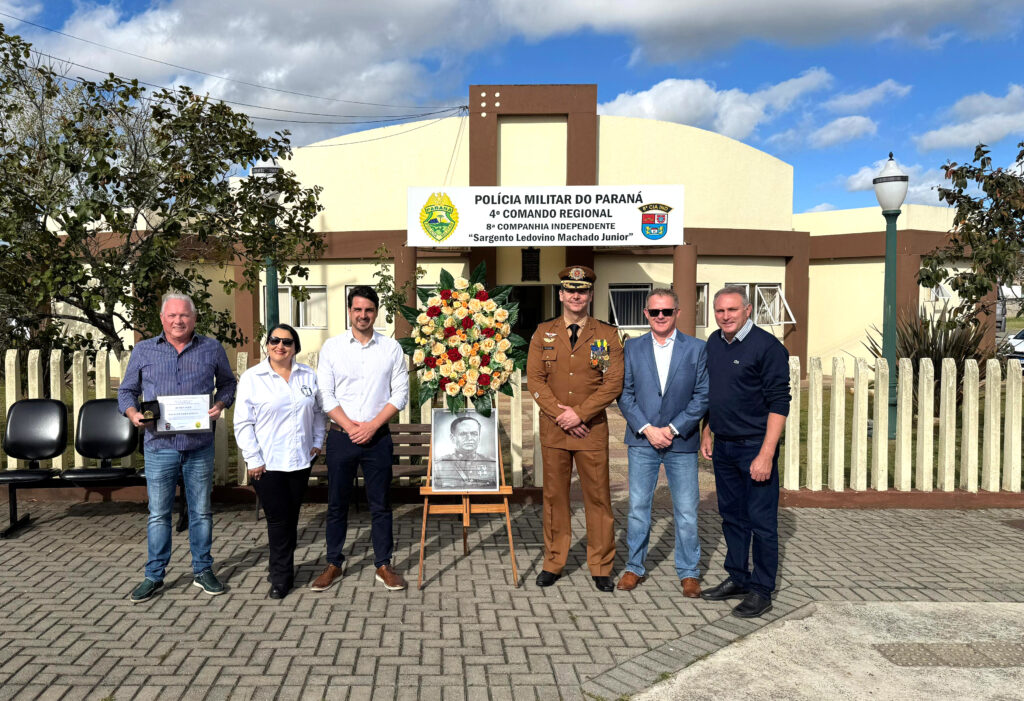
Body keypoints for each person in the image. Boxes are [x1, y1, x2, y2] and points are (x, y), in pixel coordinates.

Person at [118, 292, 237, 603]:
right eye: (172, 315)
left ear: (194, 319)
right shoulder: (144, 350)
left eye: (184, 315)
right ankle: (154, 576)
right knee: (158, 514)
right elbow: (127, 391)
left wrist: (221, 403)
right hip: (159, 445)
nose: (178, 320)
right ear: (162, 319)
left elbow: (228, 383)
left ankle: (203, 570)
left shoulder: (211, 348)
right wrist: (132, 414)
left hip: (198, 444)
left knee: (201, 511)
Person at [527, 265, 624, 593]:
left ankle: (601, 565)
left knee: (598, 498)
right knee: (555, 498)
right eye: (570, 290)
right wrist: (561, 415)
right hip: (555, 430)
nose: (576, 296)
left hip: (591, 429)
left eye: (581, 291)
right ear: (561, 295)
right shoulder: (543, 332)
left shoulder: (607, 334)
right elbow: (535, 380)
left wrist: (580, 414)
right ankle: (554, 561)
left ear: (590, 295)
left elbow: (613, 382)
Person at [311, 285, 409, 592]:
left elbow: (401, 393)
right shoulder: (332, 347)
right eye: (357, 309)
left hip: (377, 437)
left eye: (368, 310)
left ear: (376, 312)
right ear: (349, 312)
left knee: (380, 505)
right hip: (342, 437)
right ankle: (333, 564)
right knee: (337, 504)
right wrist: (351, 427)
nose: (362, 315)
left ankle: (383, 564)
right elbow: (325, 395)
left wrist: (371, 426)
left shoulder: (390, 348)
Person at [699, 285, 790, 618]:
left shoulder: (767, 348)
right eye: (720, 311)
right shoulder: (714, 342)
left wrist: (766, 454)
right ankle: (738, 577)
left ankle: (761, 590)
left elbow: (780, 403)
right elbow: (716, 393)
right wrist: (708, 429)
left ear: (748, 310)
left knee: (762, 523)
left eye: (732, 310)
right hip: (723, 447)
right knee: (732, 518)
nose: (725, 317)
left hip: (754, 446)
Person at [616, 288, 708, 596]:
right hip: (643, 441)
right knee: (639, 507)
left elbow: (702, 396)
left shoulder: (697, 349)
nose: (660, 317)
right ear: (645, 314)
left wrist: (672, 428)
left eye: (666, 311)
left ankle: (689, 571)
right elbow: (624, 394)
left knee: (685, 510)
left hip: (681, 442)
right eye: (654, 312)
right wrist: (647, 428)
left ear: (677, 313)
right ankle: (634, 567)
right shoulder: (632, 348)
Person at [234, 323, 325, 599]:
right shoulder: (253, 377)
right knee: (277, 520)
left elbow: (320, 412)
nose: (280, 346)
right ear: (267, 345)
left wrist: (317, 442)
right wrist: (253, 459)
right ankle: (281, 577)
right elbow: (242, 423)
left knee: (291, 516)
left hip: (299, 461)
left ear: (295, 347)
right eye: (275, 340)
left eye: (287, 342)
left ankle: (283, 567)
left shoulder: (308, 376)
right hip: (267, 464)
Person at [434, 415, 496, 490]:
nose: (469, 438)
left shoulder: (492, 464)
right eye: (463, 434)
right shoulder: (439, 466)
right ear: (452, 438)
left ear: (479, 438)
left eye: (474, 434)